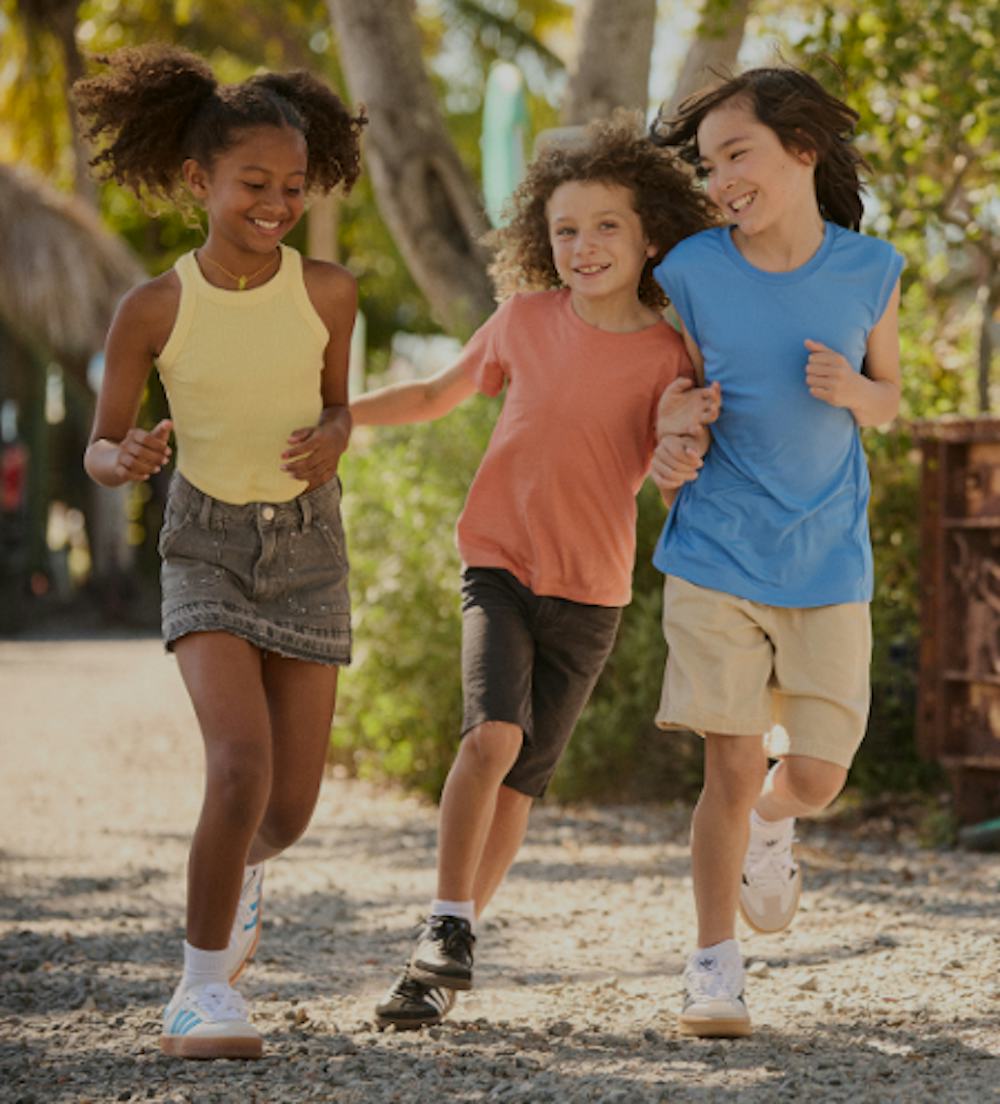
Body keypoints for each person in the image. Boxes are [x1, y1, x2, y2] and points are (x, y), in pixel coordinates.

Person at [351, 115, 719, 1030]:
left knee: (518, 784)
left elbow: (674, 472)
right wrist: (339, 417)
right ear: (539, 240)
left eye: (605, 226)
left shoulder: (672, 354)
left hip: (592, 592)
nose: (583, 245)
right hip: (499, 564)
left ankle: (434, 966)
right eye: (564, 230)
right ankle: (446, 918)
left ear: (650, 238)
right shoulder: (524, 319)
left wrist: (679, 453)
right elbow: (434, 393)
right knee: (491, 740)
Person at [76, 43, 366, 1059]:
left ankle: (235, 872)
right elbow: (101, 445)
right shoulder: (153, 309)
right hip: (204, 544)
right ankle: (199, 992)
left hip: (309, 549)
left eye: (293, 185)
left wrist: (335, 435)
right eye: (254, 183)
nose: (277, 203)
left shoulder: (328, 293)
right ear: (199, 181)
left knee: (287, 812)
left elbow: (338, 408)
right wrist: (126, 458)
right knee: (238, 768)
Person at [646, 66, 904, 1038]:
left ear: (802, 149)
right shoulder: (691, 272)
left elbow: (889, 399)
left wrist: (856, 392)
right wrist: (674, 429)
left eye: (736, 156)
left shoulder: (870, 268)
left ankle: (771, 818)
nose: (720, 181)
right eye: (709, 166)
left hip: (827, 561)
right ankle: (713, 968)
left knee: (818, 776)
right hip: (716, 549)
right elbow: (667, 390)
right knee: (729, 763)